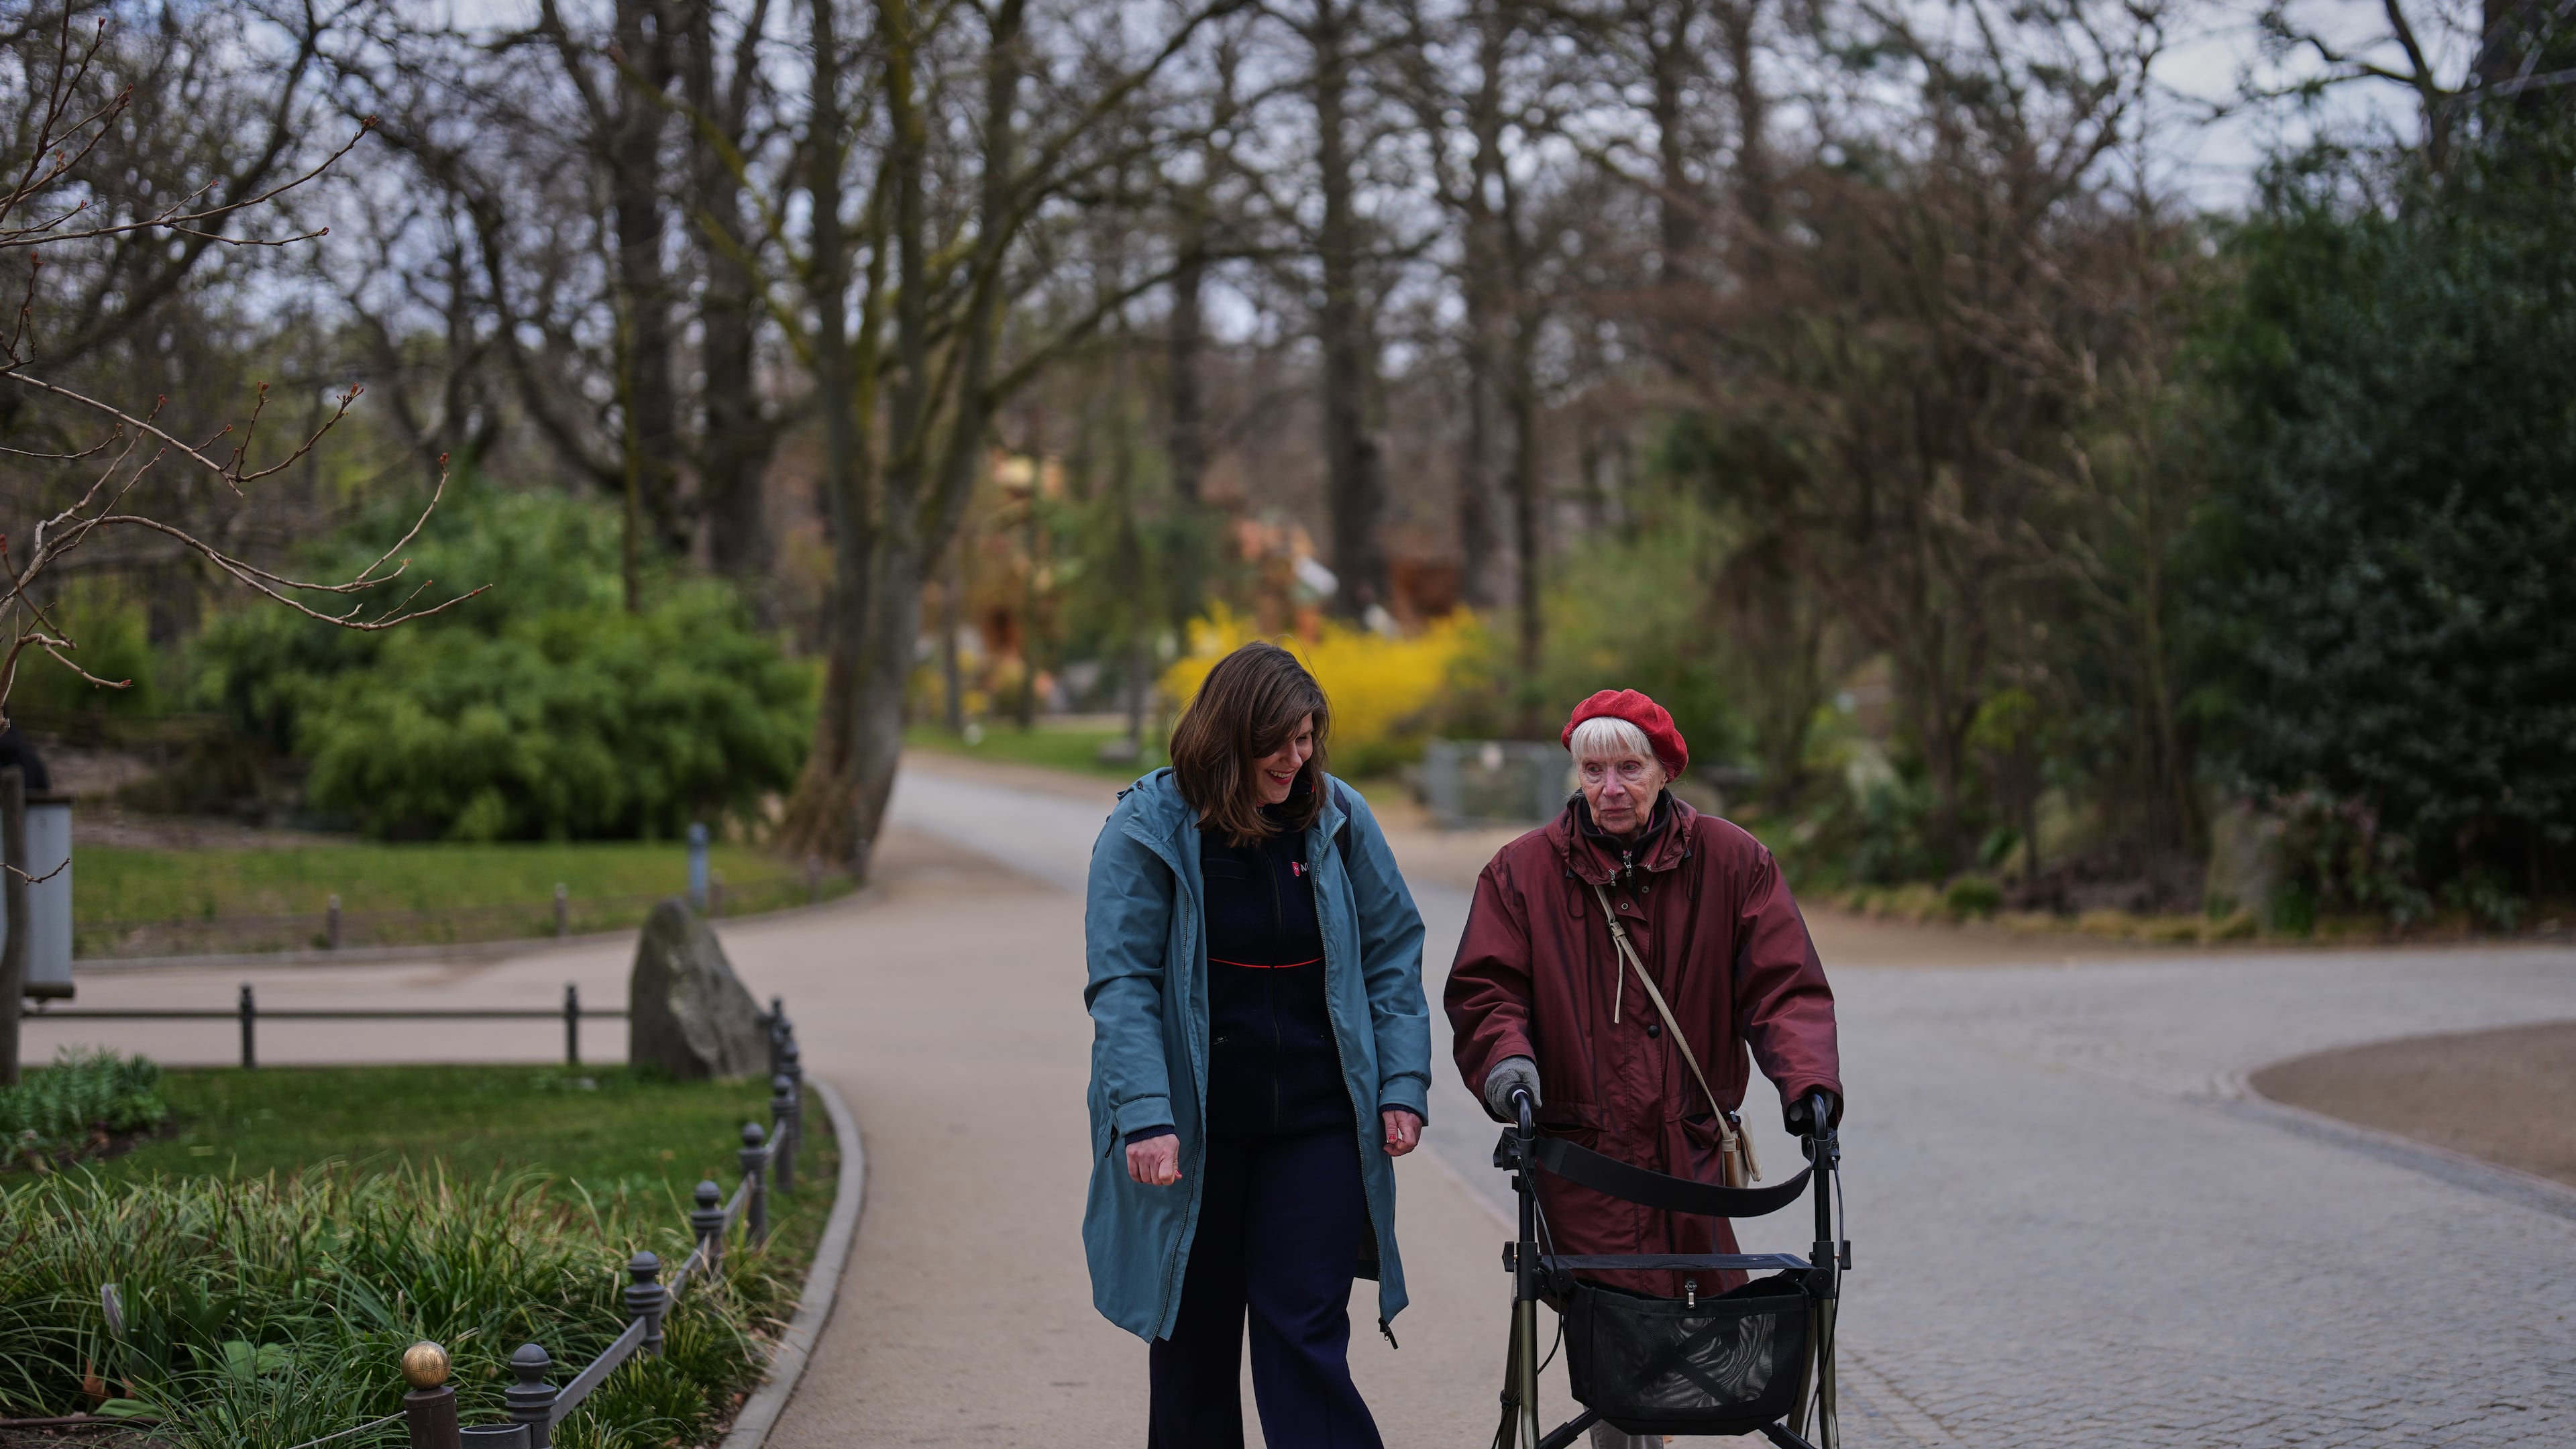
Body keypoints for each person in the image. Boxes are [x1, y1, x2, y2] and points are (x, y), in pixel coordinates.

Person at [1445, 688, 1843, 1449]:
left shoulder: (1734, 861)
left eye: (1628, 768)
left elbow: (1784, 988)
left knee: (1693, 1323)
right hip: (1581, 1155)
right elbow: (1487, 992)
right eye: (1593, 771)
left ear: (1664, 771)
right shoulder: (1520, 873)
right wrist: (1509, 1069)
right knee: (1612, 1328)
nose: (1610, 789)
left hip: (1688, 1151)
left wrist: (1810, 1085)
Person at [1083, 641, 1432, 1449]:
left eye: (1307, 739)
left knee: (1305, 1333)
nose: (1295, 759)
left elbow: (1392, 953)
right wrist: (1144, 1114)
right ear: (1226, 736)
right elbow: (1123, 984)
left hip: (1314, 1124)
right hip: (1191, 1132)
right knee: (1193, 1345)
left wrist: (1402, 1085)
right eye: (1277, 742)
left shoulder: (1339, 819)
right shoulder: (1149, 827)